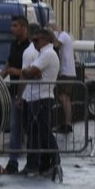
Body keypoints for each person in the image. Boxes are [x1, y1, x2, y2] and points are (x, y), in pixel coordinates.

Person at [22, 23, 60, 177]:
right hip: (37, 97)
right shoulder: (42, 54)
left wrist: (30, 71)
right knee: (36, 132)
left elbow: (29, 72)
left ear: (44, 39)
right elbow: (31, 72)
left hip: (41, 98)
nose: (33, 43)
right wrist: (31, 71)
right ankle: (43, 163)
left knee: (43, 131)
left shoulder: (47, 54)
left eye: (36, 41)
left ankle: (53, 160)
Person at [1, 15, 33, 174]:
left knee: (29, 128)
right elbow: (9, 62)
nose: (11, 29)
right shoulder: (14, 45)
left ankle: (33, 161)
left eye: (15, 26)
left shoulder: (31, 47)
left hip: (29, 93)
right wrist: (1, 75)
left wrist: (17, 71)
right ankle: (12, 163)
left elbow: (32, 70)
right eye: (11, 25)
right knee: (15, 128)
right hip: (15, 91)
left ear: (23, 28)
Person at [48, 19, 77, 134]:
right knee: (63, 98)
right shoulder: (64, 36)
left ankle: (68, 123)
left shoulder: (63, 35)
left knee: (64, 97)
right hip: (64, 72)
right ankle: (66, 122)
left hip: (67, 72)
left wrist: (50, 33)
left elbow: (55, 44)